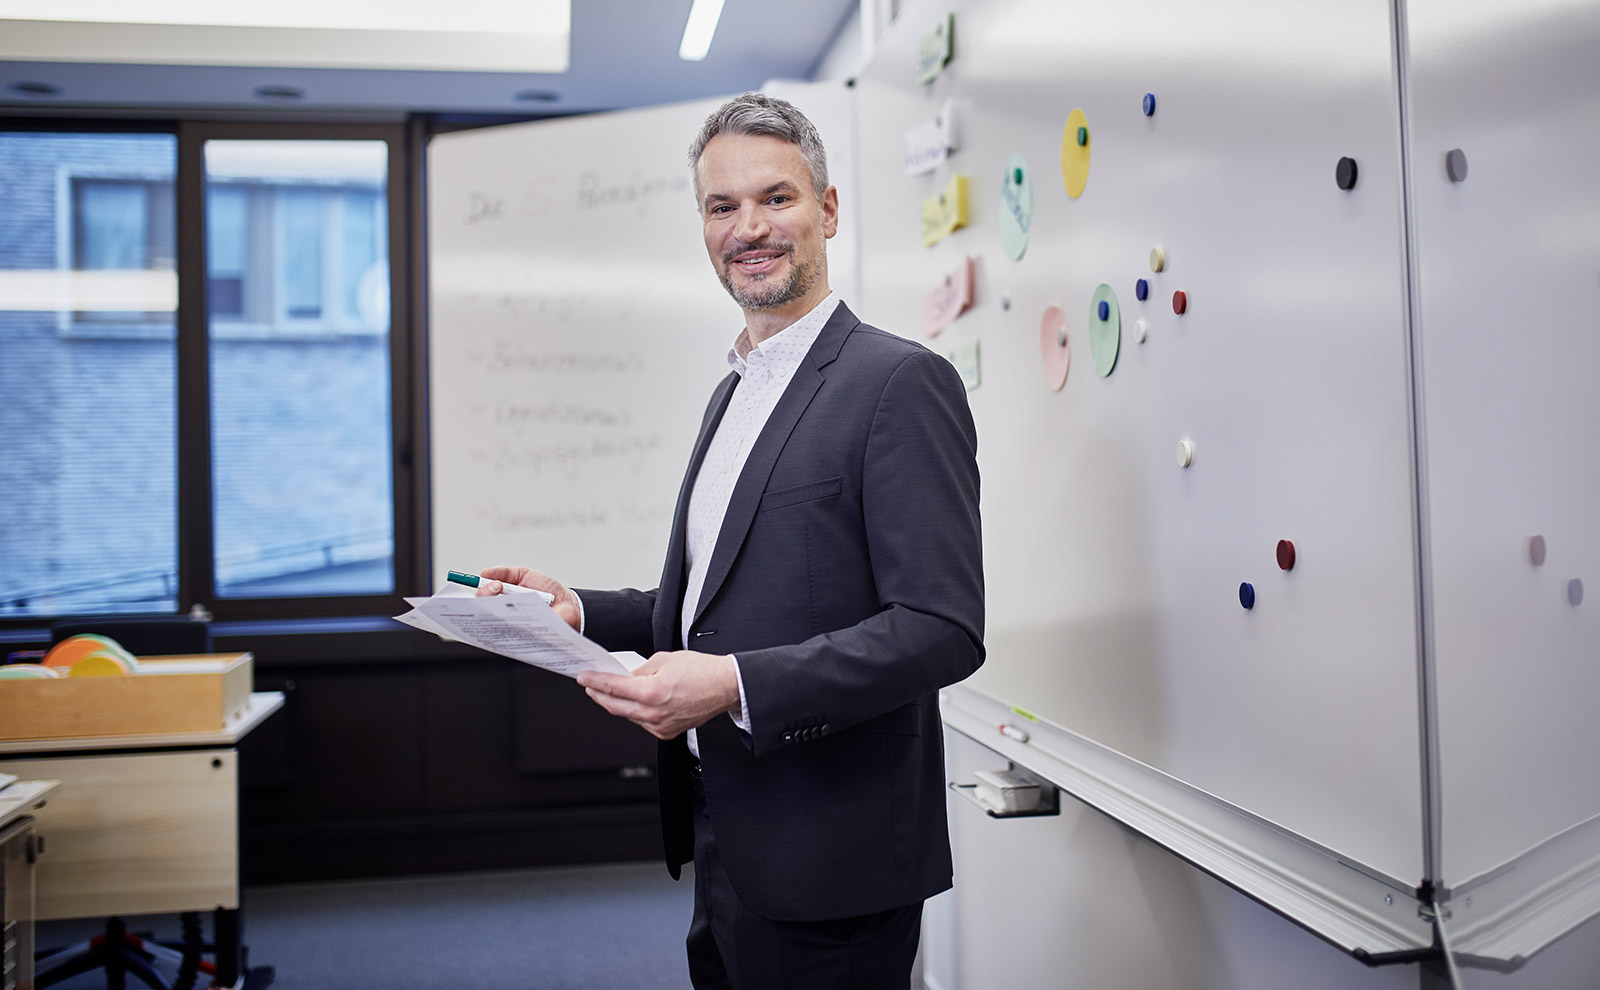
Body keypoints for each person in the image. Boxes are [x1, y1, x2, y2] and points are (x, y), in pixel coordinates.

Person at [480, 92, 984, 990]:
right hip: (729, 833)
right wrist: (581, 608)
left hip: (835, 858)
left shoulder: (900, 381)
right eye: (722, 207)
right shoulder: (734, 391)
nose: (748, 227)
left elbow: (941, 626)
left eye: (776, 198)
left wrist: (736, 686)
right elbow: (716, 603)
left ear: (828, 210)